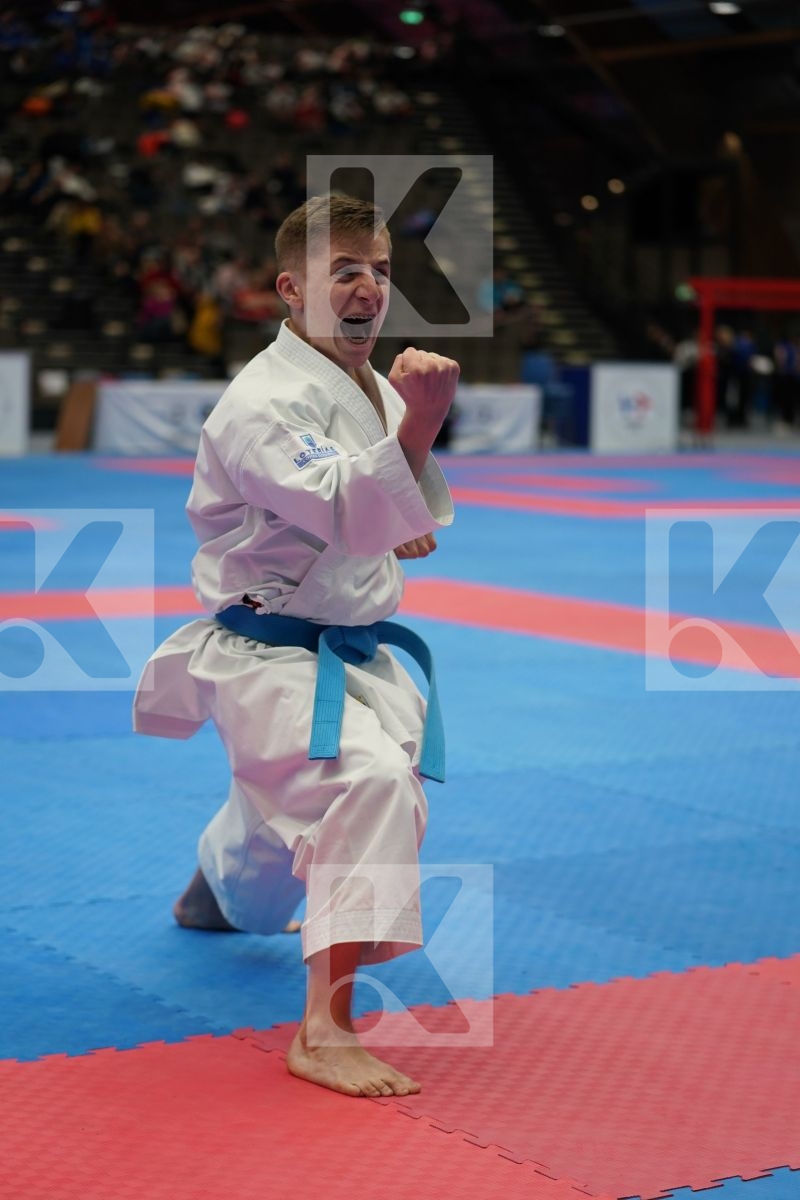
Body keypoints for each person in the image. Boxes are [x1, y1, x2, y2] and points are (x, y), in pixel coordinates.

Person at [133, 193, 458, 1098]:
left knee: (283, 822)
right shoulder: (263, 402)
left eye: (381, 272)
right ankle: (324, 1030)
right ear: (290, 290)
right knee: (368, 784)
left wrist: (402, 506)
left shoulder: (371, 385)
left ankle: (215, 889)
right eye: (344, 272)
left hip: (350, 648)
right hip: (269, 654)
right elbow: (351, 496)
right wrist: (419, 434)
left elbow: (381, 499)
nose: (368, 289)